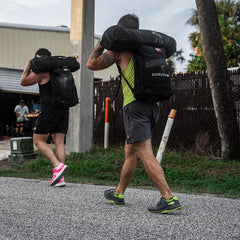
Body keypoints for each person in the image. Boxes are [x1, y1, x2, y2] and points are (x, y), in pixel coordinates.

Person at [87, 14, 182, 214]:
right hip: (153, 107)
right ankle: (119, 193)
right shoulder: (150, 48)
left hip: (134, 106)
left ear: (120, 32)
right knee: (130, 151)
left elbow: (92, 64)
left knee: (144, 152)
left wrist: (101, 43)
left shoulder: (119, 50)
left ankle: (168, 197)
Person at [20, 48, 68, 187]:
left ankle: (57, 166)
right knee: (59, 141)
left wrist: (29, 64)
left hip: (49, 109)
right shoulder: (58, 70)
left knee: (38, 140)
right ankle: (60, 177)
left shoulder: (41, 71)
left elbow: (23, 81)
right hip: (63, 109)